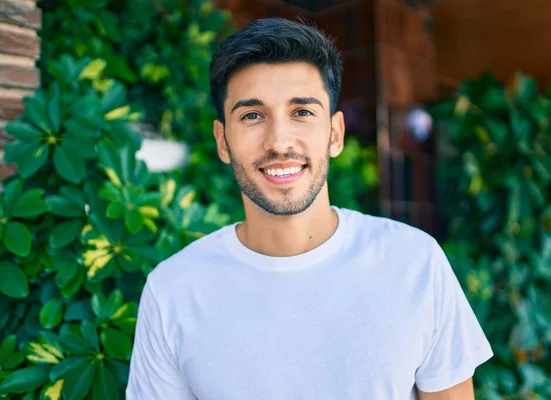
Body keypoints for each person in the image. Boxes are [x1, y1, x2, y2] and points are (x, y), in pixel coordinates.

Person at [126, 17, 493, 400]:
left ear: (335, 133)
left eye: (302, 111)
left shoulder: (414, 262)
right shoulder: (173, 291)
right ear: (223, 141)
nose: (279, 141)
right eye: (252, 115)